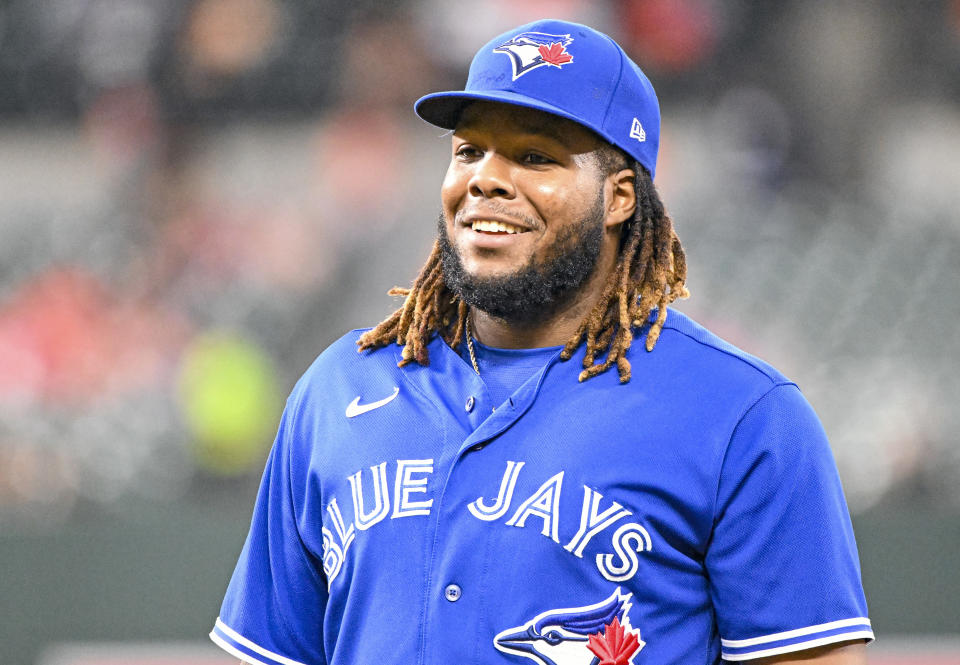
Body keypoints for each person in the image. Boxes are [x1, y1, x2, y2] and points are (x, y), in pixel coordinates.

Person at [209, 19, 873, 665]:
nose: (486, 178)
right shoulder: (337, 392)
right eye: (469, 149)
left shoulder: (744, 417)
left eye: (534, 156)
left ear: (617, 197)